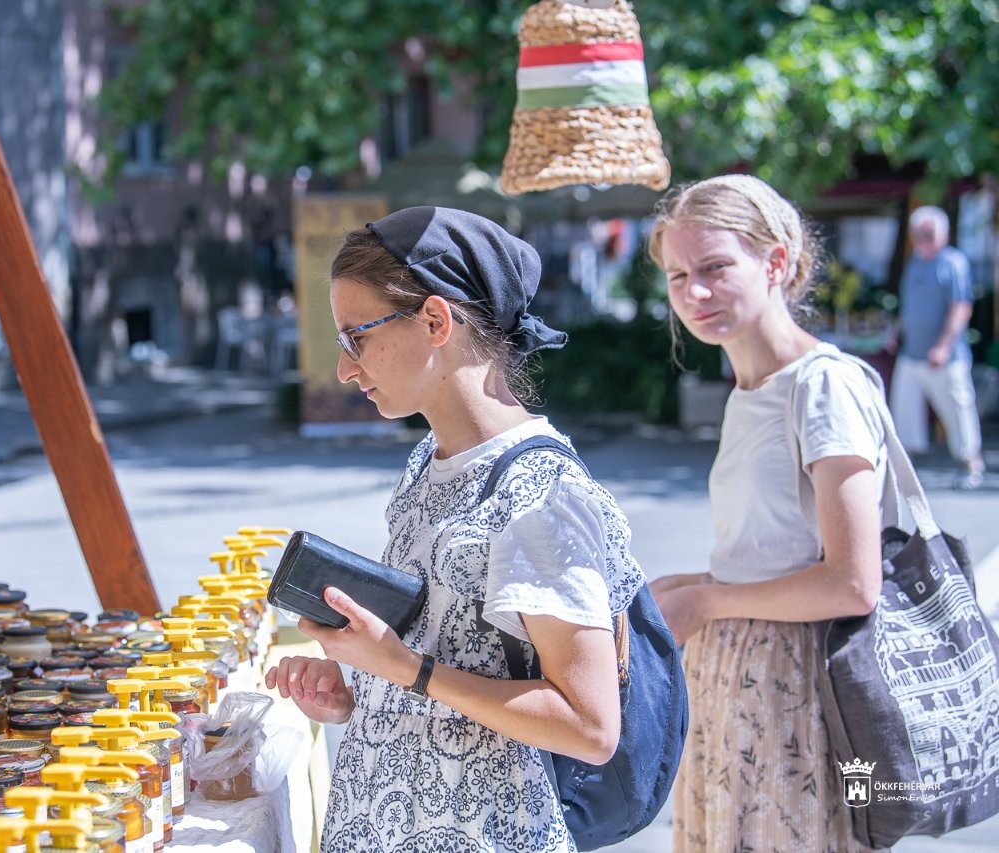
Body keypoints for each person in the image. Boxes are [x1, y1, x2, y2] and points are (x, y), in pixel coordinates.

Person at [265, 206, 645, 852]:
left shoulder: (543, 494)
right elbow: (453, 663)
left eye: (357, 337)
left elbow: (590, 724)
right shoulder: (426, 464)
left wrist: (404, 667)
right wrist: (360, 686)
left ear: (436, 320)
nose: (344, 369)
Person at [647, 175, 889, 852]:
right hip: (738, 681)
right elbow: (777, 551)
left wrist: (707, 600)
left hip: (805, 690)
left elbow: (853, 581)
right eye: (678, 275)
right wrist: (690, 585)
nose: (695, 292)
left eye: (717, 267)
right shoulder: (749, 389)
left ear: (776, 261)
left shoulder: (823, 385)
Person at [889, 205, 986, 490]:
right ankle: (905, 470)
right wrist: (897, 330)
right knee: (903, 414)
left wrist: (943, 346)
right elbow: (911, 307)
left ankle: (971, 464)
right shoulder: (915, 262)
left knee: (957, 412)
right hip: (912, 354)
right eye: (918, 233)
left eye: (929, 233)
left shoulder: (952, 262)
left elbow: (960, 308)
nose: (923, 239)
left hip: (946, 357)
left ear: (942, 234)